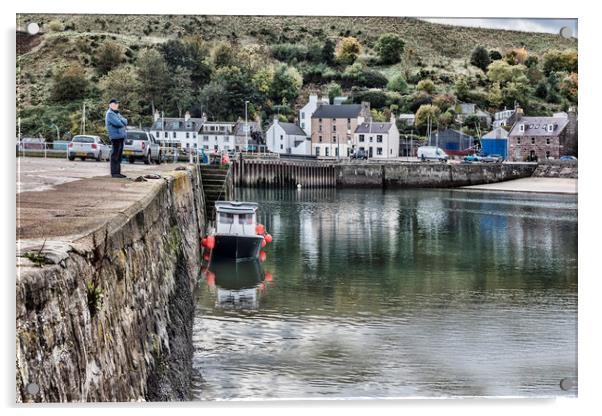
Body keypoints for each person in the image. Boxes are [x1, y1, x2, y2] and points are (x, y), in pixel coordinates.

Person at [105, 98, 128, 178]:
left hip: (120, 137)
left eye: (117, 103)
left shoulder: (116, 113)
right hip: (115, 137)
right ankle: (114, 173)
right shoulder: (110, 113)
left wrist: (121, 120)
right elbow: (118, 123)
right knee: (115, 154)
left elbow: (126, 121)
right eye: (115, 104)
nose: (117, 105)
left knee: (119, 155)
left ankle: (118, 172)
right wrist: (121, 121)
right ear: (111, 105)